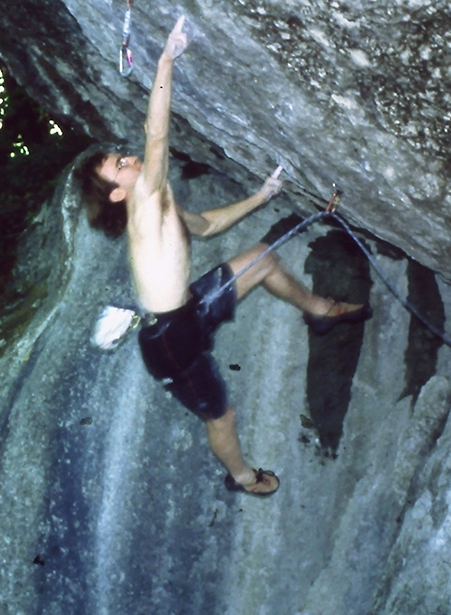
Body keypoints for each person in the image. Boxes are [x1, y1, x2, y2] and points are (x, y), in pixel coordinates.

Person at [76, 16, 370, 495]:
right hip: (172, 342)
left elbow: (208, 225)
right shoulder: (142, 206)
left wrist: (261, 196)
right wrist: (167, 57)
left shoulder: (161, 204)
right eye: (119, 165)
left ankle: (320, 312)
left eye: (122, 157)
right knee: (222, 415)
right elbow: (156, 138)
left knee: (264, 259)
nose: (129, 159)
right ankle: (242, 478)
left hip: (189, 309)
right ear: (115, 194)